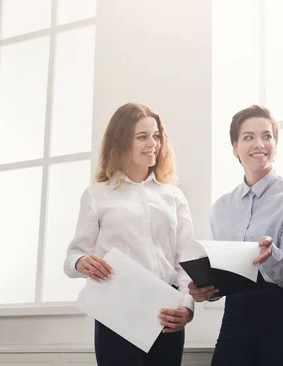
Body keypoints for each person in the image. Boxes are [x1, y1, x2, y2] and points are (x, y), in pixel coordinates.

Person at [63, 103, 196, 366]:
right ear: (121, 141)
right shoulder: (97, 195)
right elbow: (72, 258)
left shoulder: (173, 197)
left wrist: (187, 308)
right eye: (142, 136)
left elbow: (187, 261)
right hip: (117, 313)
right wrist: (80, 262)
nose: (153, 143)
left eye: (157, 136)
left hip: (166, 314)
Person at [189, 105, 283, 366]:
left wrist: (271, 256)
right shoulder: (221, 208)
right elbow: (224, 273)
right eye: (249, 137)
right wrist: (207, 289)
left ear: (275, 144)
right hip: (236, 319)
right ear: (235, 147)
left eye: (267, 136)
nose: (260, 144)